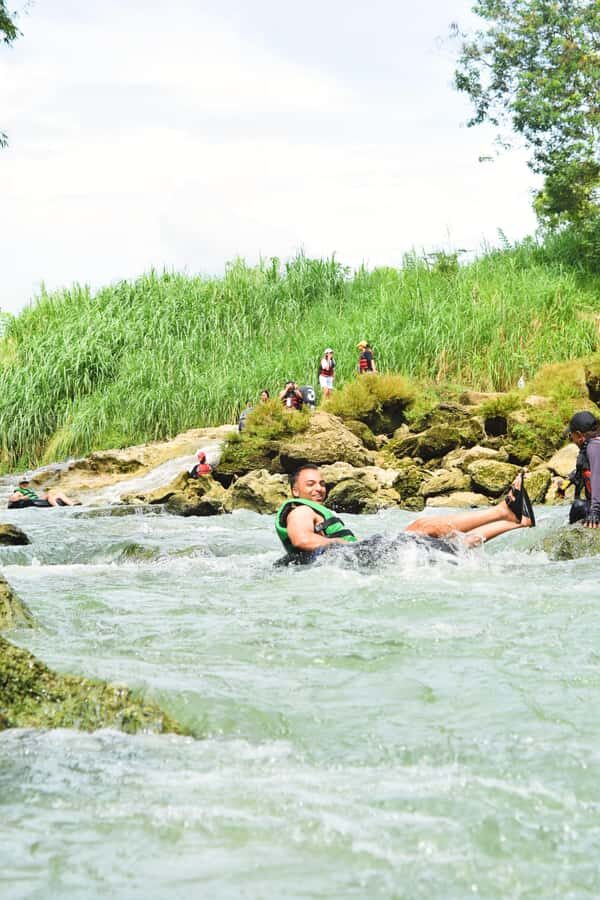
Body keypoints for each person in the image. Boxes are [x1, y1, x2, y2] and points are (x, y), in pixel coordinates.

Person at [275, 464, 535, 565]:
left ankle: (516, 522)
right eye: (311, 484)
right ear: (294, 489)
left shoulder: (309, 509)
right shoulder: (299, 510)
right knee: (422, 526)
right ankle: (503, 511)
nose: (319, 488)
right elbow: (302, 540)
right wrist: (341, 544)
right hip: (354, 557)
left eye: (321, 483)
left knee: (447, 546)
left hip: (355, 560)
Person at [556, 410, 600, 527]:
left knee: (578, 506)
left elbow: (597, 477)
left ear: (579, 435)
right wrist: (565, 484)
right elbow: (582, 470)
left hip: (597, 507)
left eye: (572, 436)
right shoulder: (590, 446)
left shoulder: (594, 447)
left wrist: (595, 511)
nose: (572, 440)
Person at [8, 478, 77, 509]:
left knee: (59, 494)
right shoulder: (19, 491)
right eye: (23, 483)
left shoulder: (29, 489)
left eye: (26, 483)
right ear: (20, 485)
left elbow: (36, 496)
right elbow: (12, 499)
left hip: (37, 499)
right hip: (32, 501)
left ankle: (72, 504)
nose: (25, 484)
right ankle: (57, 507)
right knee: (49, 495)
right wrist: (22, 498)